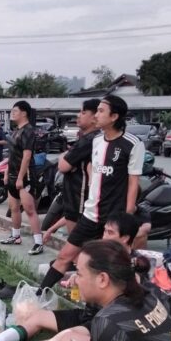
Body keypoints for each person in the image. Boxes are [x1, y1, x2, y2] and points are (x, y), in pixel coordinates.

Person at [0, 213, 142, 341]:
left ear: (125, 238)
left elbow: (124, 304)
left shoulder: (131, 267)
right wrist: (78, 278)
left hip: (100, 322)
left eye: (110, 232)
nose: (104, 236)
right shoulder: (104, 256)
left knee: (64, 338)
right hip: (86, 314)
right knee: (38, 316)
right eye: (104, 231)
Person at [37, 95, 144, 293]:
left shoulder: (132, 144)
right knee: (64, 257)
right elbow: (91, 172)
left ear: (114, 116)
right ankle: (38, 296)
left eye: (101, 111)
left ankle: (120, 304)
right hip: (90, 214)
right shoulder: (95, 141)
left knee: (109, 268)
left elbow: (133, 183)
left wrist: (127, 215)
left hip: (113, 219)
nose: (96, 115)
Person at [42, 99, 101, 244]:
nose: (78, 115)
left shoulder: (89, 140)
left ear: (95, 118)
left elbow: (63, 166)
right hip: (74, 198)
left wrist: (64, 157)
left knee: (78, 245)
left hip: (80, 198)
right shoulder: (88, 138)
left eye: (83, 112)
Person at [0, 101, 45, 255]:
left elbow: (27, 156)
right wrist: (7, 172)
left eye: (15, 111)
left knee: (30, 209)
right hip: (12, 174)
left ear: (24, 113)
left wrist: (20, 178)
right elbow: (12, 155)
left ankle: (38, 242)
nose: (12, 113)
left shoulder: (28, 131)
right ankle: (15, 236)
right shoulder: (15, 131)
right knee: (14, 208)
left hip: (25, 175)